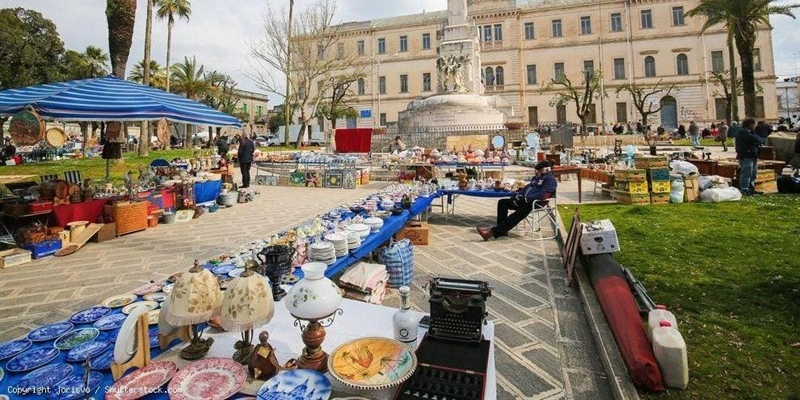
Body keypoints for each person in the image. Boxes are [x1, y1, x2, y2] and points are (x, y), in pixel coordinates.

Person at [476, 160, 558, 240]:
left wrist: (526, 199)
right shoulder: (536, 178)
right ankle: (502, 231)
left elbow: (542, 195)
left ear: (545, 170)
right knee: (502, 202)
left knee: (516, 215)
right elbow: (527, 187)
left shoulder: (550, 180)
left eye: (538, 170)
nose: (536, 172)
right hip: (524, 200)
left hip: (535, 203)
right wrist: (518, 195)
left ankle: (491, 232)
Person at [735, 118, 766, 195]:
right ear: (750, 124)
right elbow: (756, 139)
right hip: (746, 155)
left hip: (753, 155)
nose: (755, 126)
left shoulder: (751, 132)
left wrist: (757, 140)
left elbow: (759, 140)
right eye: (754, 124)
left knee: (753, 174)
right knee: (747, 173)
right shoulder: (743, 132)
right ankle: (744, 189)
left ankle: (751, 188)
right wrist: (757, 141)